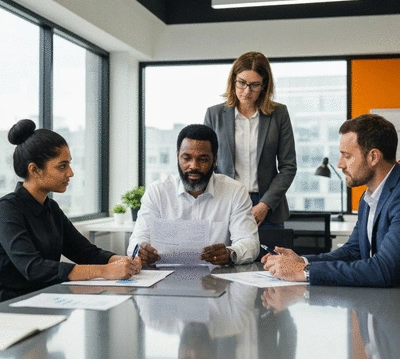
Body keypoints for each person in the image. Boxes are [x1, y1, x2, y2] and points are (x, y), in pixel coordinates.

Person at [0, 119, 141, 295]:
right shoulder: (7, 209)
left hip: (46, 300)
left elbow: (85, 252)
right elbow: (33, 268)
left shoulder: (51, 208)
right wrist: (105, 271)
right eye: (62, 166)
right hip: (12, 309)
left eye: (69, 164)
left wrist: (119, 260)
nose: (71, 173)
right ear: (35, 170)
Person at [262, 113, 400, 287]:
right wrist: (301, 261)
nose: (340, 164)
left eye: (347, 156)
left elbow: (385, 269)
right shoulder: (368, 199)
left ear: (373, 157)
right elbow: (353, 251)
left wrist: (304, 271)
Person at [127, 124, 260, 265]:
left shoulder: (235, 191)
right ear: (177, 156)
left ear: (214, 159)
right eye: (187, 158)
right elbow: (137, 240)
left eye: (202, 159)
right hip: (165, 277)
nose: (194, 166)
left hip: (216, 279)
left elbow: (250, 242)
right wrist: (141, 251)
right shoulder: (157, 191)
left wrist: (231, 253)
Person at [204, 51, 297, 229]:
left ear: (264, 86)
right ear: (233, 80)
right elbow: (207, 163)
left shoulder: (279, 114)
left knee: (269, 257)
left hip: (267, 207)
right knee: (226, 257)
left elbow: (288, 166)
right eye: (242, 83)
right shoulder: (214, 115)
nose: (247, 91)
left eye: (254, 85)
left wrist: (265, 204)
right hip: (225, 203)